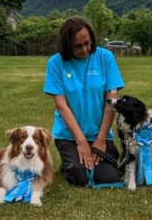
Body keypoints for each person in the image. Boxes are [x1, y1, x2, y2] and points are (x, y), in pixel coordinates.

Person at [45, 17, 125, 186]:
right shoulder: (55, 63)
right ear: (67, 45)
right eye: (78, 46)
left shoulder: (105, 58)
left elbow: (112, 101)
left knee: (110, 178)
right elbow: (61, 105)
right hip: (69, 136)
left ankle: (80, 159)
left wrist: (101, 140)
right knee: (80, 176)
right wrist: (81, 142)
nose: (85, 49)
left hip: (99, 134)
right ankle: (70, 163)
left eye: (87, 43)